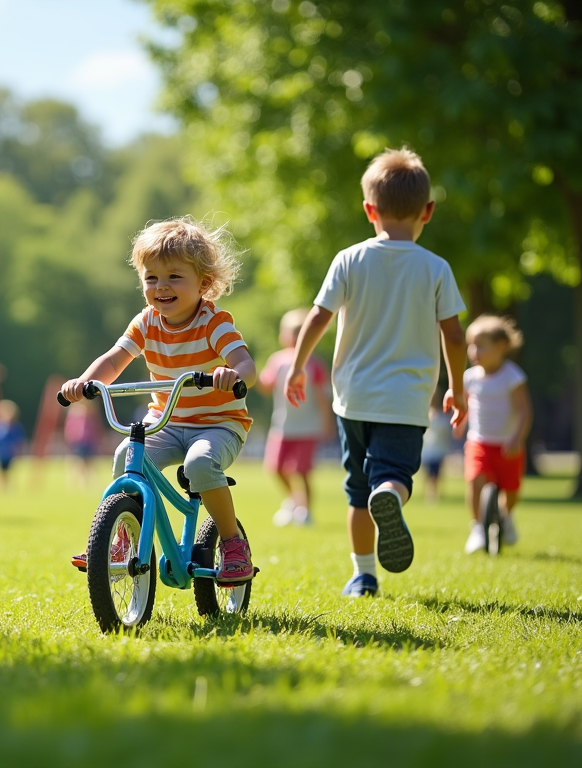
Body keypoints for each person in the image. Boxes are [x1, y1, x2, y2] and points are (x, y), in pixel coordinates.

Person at [285, 147, 468, 598]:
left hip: (353, 397)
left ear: (370, 209)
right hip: (406, 401)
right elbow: (455, 337)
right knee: (394, 477)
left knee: (357, 490)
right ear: (428, 210)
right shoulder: (436, 269)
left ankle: (363, 575)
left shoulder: (349, 259)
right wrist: (458, 390)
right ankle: (392, 493)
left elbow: (317, 318)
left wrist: (296, 367)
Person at [61, 217, 257, 584]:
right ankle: (122, 540)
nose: (161, 287)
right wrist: (86, 381)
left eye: (173, 277)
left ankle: (232, 542)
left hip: (218, 424)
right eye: (151, 278)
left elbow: (246, 364)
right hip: (165, 422)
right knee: (126, 455)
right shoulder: (147, 322)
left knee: (200, 465)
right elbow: (115, 358)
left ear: (204, 283)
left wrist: (234, 375)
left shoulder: (214, 322)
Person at [458, 315, 532, 554]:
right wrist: (460, 421)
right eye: (471, 345)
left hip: (507, 445)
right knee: (474, 480)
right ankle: (478, 527)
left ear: (500, 347)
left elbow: (523, 410)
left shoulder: (512, 375)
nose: (473, 351)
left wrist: (517, 438)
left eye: (480, 345)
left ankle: (506, 518)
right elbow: (467, 405)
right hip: (479, 442)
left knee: (511, 490)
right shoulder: (470, 377)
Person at [258, 308, 332, 526]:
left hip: (308, 426)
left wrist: (326, 422)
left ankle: (305, 510)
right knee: (276, 467)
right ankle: (294, 501)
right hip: (282, 425)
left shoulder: (314, 363)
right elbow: (265, 385)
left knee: (303, 471)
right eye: (292, 331)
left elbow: (321, 396)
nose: (295, 336)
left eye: (301, 331)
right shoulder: (277, 360)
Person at [421, 387, 454, 503]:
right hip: (427, 450)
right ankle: (431, 494)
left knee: (435, 474)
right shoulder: (427, 414)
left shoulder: (441, 415)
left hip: (437, 450)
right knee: (429, 474)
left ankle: (433, 494)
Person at [63, 399, 102, 487]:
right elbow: (70, 428)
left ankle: (87, 481)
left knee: (89, 462)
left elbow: (94, 428)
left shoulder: (90, 416)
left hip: (88, 440)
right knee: (78, 462)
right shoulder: (74, 414)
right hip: (78, 440)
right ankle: (76, 482)